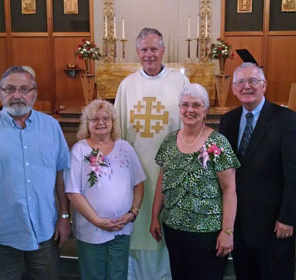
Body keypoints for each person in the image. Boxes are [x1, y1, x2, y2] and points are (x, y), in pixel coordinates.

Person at [0, 66, 71, 279]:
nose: (16, 95)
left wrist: (65, 216)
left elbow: (60, 175)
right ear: (0, 93)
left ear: (34, 93)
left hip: (45, 235)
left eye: (24, 89)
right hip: (2, 238)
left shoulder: (51, 127)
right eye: (9, 89)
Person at [219, 62, 296, 280]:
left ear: (264, 85)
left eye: (253, 81)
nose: (246, 86)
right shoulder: (228, 121)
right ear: (233, 88)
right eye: (240, 82)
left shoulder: (287, 121)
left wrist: (288, 217)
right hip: (240, 224)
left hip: (274, 225)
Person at [114, 27, 190, 279]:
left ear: (163, 50)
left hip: (171, 169)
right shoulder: (127, 86)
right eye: (144, 49)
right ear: (137, 52)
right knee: (139, 224)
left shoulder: (180, 82)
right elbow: (118, 132)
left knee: (168, 227)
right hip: (136, 171)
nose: (149, 54)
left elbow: (189, 125)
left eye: (154, 49)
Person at [150, 84, 239, 280]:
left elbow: (229, 189)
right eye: (185, 105)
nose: (190, 110)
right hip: (174, 228)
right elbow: (162, 180)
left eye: (197, 105)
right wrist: (155, 216)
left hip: (207, 232)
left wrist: (228, 231)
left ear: (206, 110)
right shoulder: (170, 141)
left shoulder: (218, 143)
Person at [64, 99, 146, 280]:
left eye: (106, 118)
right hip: (91, 229)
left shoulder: (125, 147)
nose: (101, 123)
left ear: (113, 122)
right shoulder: (79, 150)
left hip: (121, 227)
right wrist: (97, 221)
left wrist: (132, 213)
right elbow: (73, 191)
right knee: (94, 275)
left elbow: (139, 183)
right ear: (87, 123)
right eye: (94, 119)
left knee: (118, 275)